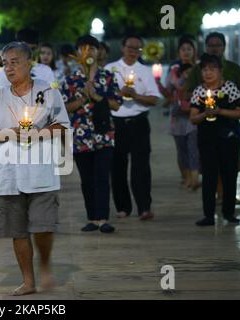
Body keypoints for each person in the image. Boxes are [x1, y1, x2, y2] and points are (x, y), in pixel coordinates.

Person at [0, 41, 70, 295]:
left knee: (43, 226)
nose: (8, 68)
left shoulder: (47, 91)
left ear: (29, 63)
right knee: (17, 230)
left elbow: (62, 125)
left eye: (14, 62)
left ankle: (44, 263)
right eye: (5, 63)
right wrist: (12, 133)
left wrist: (39, 133)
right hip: (9, 172)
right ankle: (28, 281)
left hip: (41, 169)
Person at [62, 35, 122, 233]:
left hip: (104, 134)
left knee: (102, 176)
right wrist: (82, 99)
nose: (87, 52)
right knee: (87, 179)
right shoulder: (70, 80)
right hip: (81, 136)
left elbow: (117, 104)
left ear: (98, 52)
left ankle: (103, 218)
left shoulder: (108, 77)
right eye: (82, 48)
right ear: (77, 53)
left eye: (91, 48)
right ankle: (92, 218)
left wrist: (97, 97)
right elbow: (64, 108)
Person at [104, 34, 160, 220]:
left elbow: (153, 99)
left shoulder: (144, 70)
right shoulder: (110, 69)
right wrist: (120, 94)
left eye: (137, 49)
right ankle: (123, 207)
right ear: (122, 47)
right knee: (117, 166)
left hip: (139, 121)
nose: (133, 52)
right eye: (130, 47)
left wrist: (136, 96)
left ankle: (144, 207)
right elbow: (104, 98)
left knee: (141, 166)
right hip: (116, 122)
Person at [190, 54, 240, 226]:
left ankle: (229, 213)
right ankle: (208, 215)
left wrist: (220, 111)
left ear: (220, 71)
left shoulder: (229, 88)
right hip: (207, 140)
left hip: (228, 138)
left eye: (212, 69)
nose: (208, 73)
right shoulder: (199, 91)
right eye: (205, 69)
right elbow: (193, 118)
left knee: (229, 175)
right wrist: (205, 113)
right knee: (210, 176)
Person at [158, 37, 200, 190]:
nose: (186, 52)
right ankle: (187, 177)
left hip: (195, 113)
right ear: (179, 52)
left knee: (193, 147)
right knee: (181, 148)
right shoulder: (174, 70)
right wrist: (158, 83)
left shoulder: (201, 68)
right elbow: (168, 92)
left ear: (194, 51)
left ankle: (195, 178)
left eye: (189, 49)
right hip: (178, 115)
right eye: (183, 49)